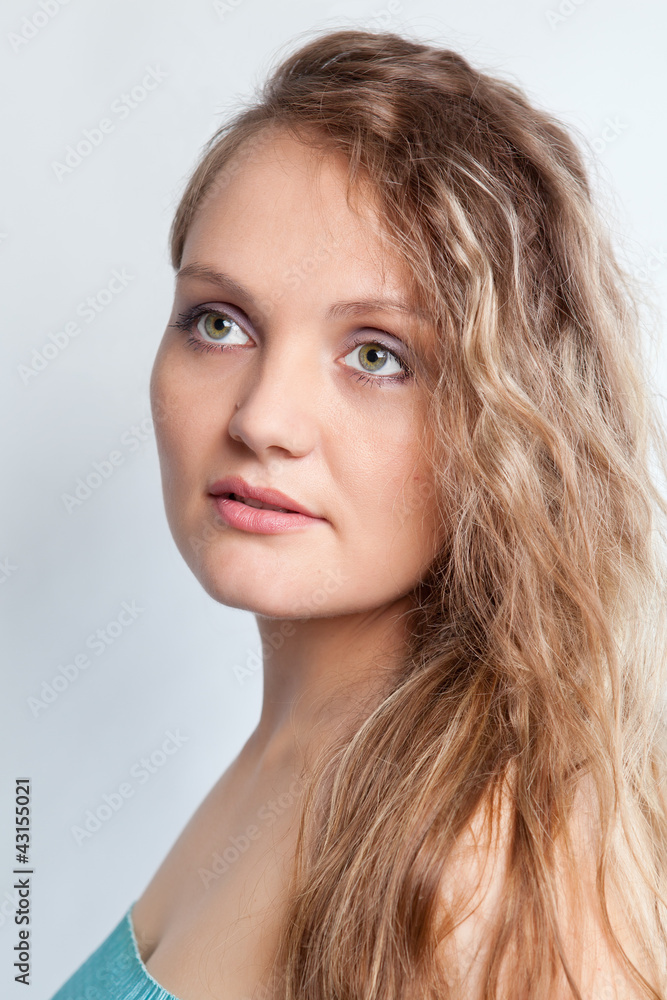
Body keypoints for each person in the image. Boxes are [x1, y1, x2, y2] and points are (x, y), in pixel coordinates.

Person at [49, 27, 667, 1000]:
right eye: (220, 323)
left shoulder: (477, 865)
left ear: (516, 420)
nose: (261, 419)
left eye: (377, 353)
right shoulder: (302, 746)